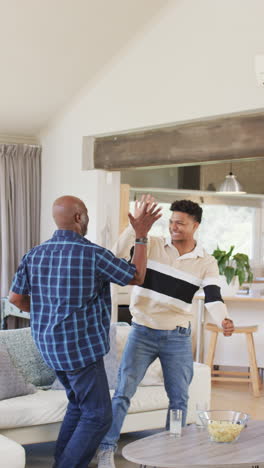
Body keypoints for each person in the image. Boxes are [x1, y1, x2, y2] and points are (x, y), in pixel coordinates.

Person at [8, 194, 161, 468]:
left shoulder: (34, 254)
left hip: (49, 348)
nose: (87, 217)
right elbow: (136, 276)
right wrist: (140, 235)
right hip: (79, 350)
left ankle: (62, 461)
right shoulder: (93, 255)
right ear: (79, 217)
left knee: (79, 406)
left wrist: (47, 314)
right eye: (86, 213)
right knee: (99, 414)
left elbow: (16, 299)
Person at [97, 197, 235, 468]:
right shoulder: (152, 244)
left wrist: (224, 320)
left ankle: (173, 453)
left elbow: (213, 297)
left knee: (179, 399)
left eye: (181, 223)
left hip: (178, 337)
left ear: (196, 225)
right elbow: (115, 255)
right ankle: (105, 449)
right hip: (142, 332)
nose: (174, 227)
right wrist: (134, 228)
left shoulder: (205, 262)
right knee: (123, 392)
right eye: (171, 222)